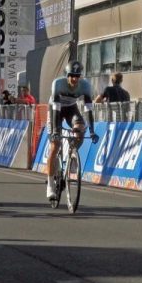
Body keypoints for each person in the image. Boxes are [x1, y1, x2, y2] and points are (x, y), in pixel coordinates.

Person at [45, 61, 99, 200]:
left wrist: (92, 131)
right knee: (55, 145)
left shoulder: (85, 86)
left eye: (77, 76)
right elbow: (56, 110)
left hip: (71, 108)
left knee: (81, 130)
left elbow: (88, 111)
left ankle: (71, 155)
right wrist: (56, 132)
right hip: (55, 109)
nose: (74, 79)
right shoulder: (58, 84)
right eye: (71, 76)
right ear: (67, 75)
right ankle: (50, 185)